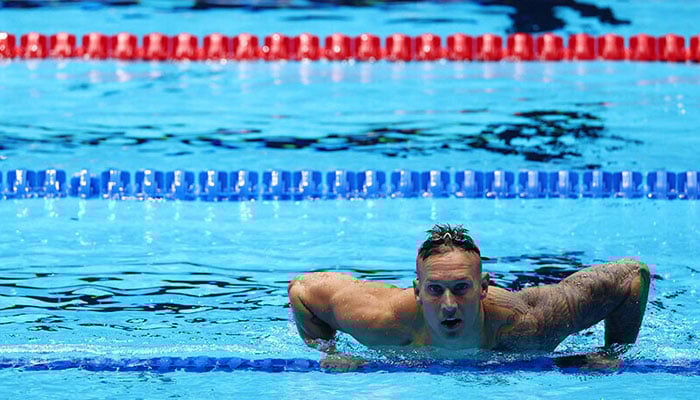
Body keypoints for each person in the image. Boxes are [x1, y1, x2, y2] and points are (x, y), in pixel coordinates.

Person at [288, 224, 651, 367]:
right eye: (435, 290)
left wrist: (612, 354)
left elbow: (632, 276)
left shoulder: (529, 324)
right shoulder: (379, 319)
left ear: (483, 288)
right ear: (417, 291)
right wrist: (329, 353)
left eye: (461, 288)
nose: (448, 305)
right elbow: (302, 289)